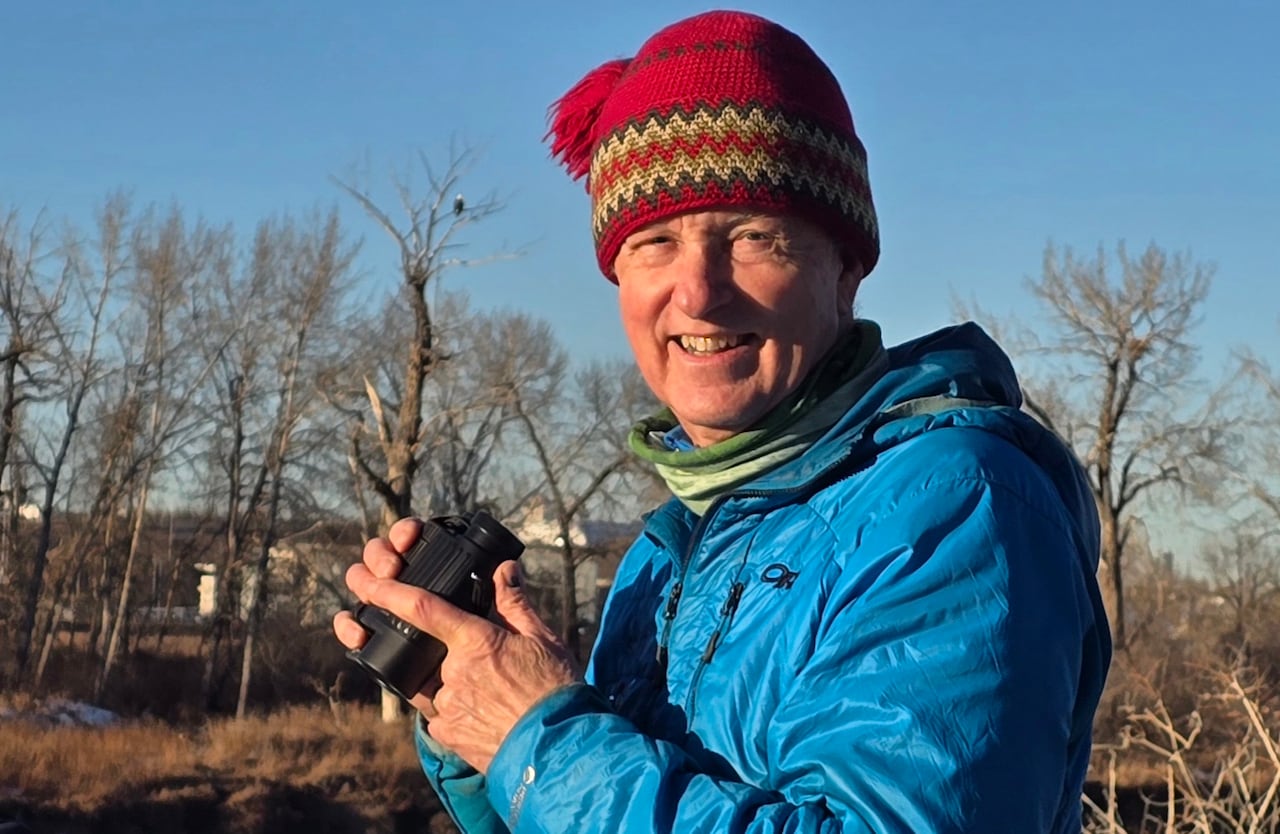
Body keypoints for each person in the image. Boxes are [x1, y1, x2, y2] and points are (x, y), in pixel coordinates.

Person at [334, 9, 1111, 833]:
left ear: (846, 269)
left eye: (752, 237)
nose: (699, 293)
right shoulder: (669, 548)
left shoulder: (953, 505)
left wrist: (542, 743)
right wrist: (476, 712)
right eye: (655, 243)